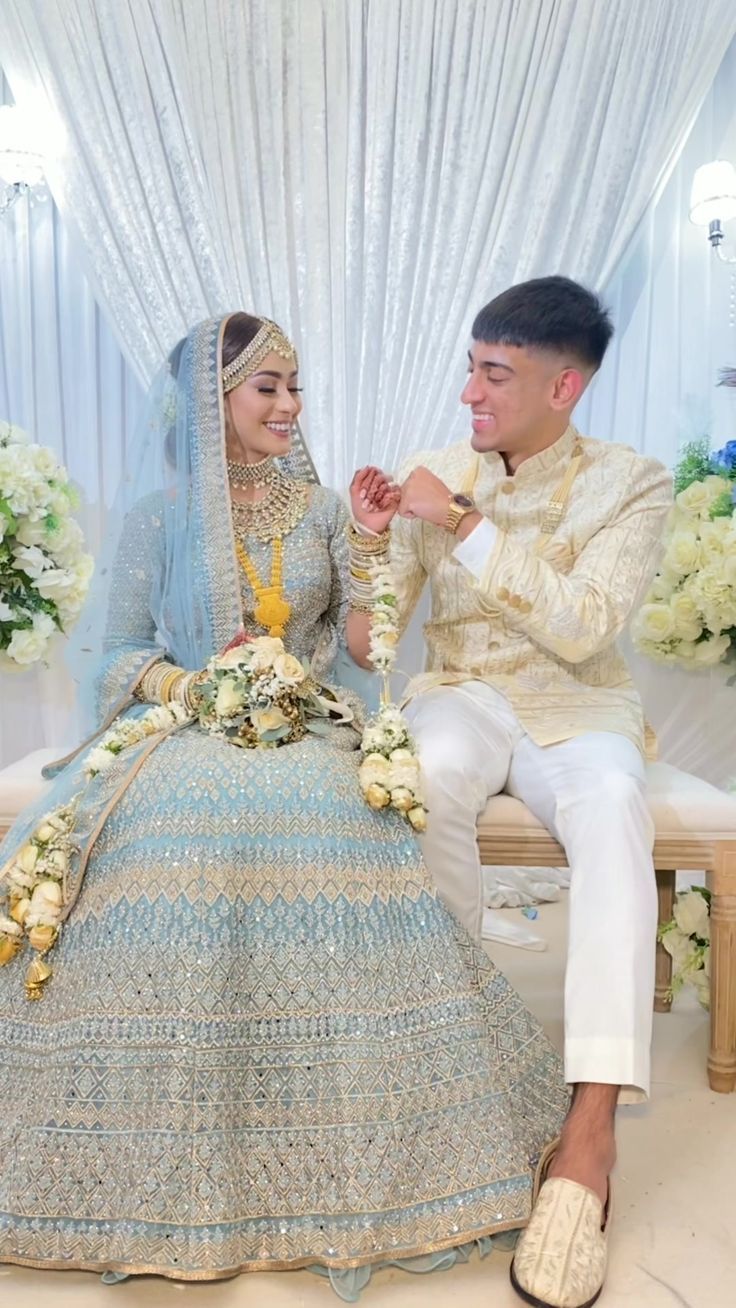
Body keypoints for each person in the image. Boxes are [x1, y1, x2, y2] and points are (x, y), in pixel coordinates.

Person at [0, 312, 568, 1297]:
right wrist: (191, 687)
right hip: (183, 736)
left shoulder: (316, 509)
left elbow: (363, 644)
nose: (290, 406)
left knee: (341, 843)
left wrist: (369, 546)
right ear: (206, 405)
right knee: (186, 843)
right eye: (267, 388)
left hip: (306, 728)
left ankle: (335, 1134)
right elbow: (120, 658)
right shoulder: (157, 520)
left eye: (294, 386)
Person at [348, 276, 673, 1308]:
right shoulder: (432, 473)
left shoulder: (632, 482)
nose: (469, 394)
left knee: (615, 808)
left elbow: (584, 625)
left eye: (495, 374)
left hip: (579, 707)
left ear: (563, 386)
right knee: (426, 770)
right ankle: (464, 1058)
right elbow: (374, 643)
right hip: (463, 697)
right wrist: (372, 547)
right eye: (472, 367)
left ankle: (588, 1136)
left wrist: (471, 529)